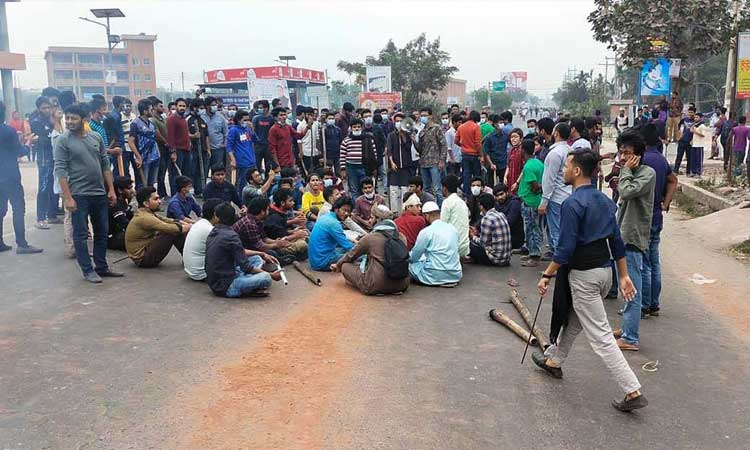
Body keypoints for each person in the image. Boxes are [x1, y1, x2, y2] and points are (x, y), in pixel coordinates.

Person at [533, 148, 646, 412]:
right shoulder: (605, 201)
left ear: (577, 171)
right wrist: (624, 275)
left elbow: (565, 248)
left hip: (584, 276)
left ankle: (632, 390)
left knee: (602, 337)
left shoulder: (572, 204)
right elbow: (616, 241)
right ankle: (554, 361)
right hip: (605, 273)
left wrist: (546, 274)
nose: (562, 171)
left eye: (565, 166)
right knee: (574, 320)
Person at [54, 103, 122, 283]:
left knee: (102, 232)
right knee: (81, 234)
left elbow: (105, 165)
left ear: (84, 120)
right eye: (67, 118)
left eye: (73, 118)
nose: (68, 121)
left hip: (99, 193)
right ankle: (87, 270)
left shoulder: (96, 137)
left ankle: (102, 266)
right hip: (78, 194)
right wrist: (68, 198)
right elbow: (60, 170)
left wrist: (111, 190)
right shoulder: (63, 140)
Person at [612, 130, 655, 352]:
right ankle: (627, 327)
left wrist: (626, 171)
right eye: (620, 153)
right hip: (623, 234)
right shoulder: (629, 171)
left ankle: (630, 337)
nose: (622, 158)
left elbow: (627, 192)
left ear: (637, 155)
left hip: (634, 236)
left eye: (627, 154)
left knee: (632, 288)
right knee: (625, 286)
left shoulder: (647, 174)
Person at [639, 124, 677, 318]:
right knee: (654, 261)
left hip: (643, 217)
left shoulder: (642, 160)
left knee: (643, 263)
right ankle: (653, 303)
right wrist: (666, 202)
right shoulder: (661, 160)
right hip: (656, 215)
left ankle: (644, 305)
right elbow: (673, 180)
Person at [331, 204, 410, 295]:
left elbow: (351, 255)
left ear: (378, 220)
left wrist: (338, 265)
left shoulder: (370, 238)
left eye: (372, 217)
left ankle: (372, 286)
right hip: (402, 285)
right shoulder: (402, 237)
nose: (369, 220)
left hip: (376, 284)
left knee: (345, 266)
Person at [205, 202, 278, 298]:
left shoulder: (213, 232)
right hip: (227, 286)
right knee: (266, 278)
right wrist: (271, 275)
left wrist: (261, 253)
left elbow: (240, 252)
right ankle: (248, 284)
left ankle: (249, 280)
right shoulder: (231, 236)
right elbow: (246, 267)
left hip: (218, 279)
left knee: (256, 258)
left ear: (216, 217)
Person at [0, 100, 43, 254]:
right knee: (18, 209)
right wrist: (29, 142)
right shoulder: (8, 131)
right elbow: (20, 152)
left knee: (1, 209)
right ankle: (22, 244)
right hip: (10, 176)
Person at [125, 187, 191, 268]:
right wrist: (192, 227)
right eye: (156, 199)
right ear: (146, 203)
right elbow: (170, 228)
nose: (160, 201)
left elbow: (167, 220)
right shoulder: (145, 218)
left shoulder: (146, 212)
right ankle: (189, 258)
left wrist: (184, 223)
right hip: (143, 260)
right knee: (172, 231)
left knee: (175, 228)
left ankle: (188, 257)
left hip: (146, 250)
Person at [409, 201, 462, 286]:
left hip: (434, 275)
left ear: (426, 216)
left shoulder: (426, 232)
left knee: (409, 265)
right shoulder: (453, 229)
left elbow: (414, 257)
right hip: (455, 274)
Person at [540, 122, 573, 255]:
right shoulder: (570, 150)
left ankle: (560, 265)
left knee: (556, 233)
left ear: (556, 133)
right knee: (564, 232)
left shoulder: (554, 153)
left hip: (556, 198)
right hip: (568, 196)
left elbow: (549, 180)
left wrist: (544, 201)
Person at [30, 96, 59, 229]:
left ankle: (52, 215)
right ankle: (40, 218)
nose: (47, 110)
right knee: (43, 187)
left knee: (54, 186)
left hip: (54, 156)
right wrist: (48, 134)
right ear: (39, 108)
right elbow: (42, 139)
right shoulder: (36, 120)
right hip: (44, 158)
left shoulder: (53, 119)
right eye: (44, 108)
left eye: (49, 107)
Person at [516, 139, 544, 267]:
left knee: (532, 228)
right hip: (534, 200)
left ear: (523, 150)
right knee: (534, 228)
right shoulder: (538, 163)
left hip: (530, 201)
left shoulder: (528, 166)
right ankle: (532, 251)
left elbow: (535, 185)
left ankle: (535, 255)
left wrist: (535, 188)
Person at [308, 196, 356, 271]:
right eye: (344, 210)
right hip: (323, 262)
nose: (347, 213)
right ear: (336, 209)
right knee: (359, 256)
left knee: (345, 250)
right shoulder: (334, 223)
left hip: (315, 260)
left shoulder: (326, 217)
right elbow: (348, 247)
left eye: (349, 211)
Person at [414, 107, 447, 205]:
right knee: (426, 189)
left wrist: (442, 160)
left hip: (435, 163)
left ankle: (440, 209)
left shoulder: (436, 128)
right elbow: (419, 149)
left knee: (437, 189)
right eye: (422, 116)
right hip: (424, 163)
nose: (423, 117)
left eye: (425, 115)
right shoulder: (421, 131)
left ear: (430, 116)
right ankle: (428, 208)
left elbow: (443, 145)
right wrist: (413, 140)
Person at [182, 198, 222, 281]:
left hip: (191, 270)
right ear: (215, 214)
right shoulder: (209, 230)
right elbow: (230, 251)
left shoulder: (199, 223)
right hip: (201, 274)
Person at [468, 193, 512, 266]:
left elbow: (482, 243)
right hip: (506, 258)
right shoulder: (501, 214)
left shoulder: (486, 219)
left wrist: (472, 236)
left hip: (495, 259)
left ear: (481, 206)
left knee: (469, 245)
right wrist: (477, 234)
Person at [386, 112, 418, 212]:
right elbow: (389, 150)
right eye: (397, 121)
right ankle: (394, 212)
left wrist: (406, 136)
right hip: (394, 167)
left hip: (406, 167)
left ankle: (405, 210)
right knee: (394, 191)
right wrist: (392, 163)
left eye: (400, 121)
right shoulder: (391, 135)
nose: (399, 123)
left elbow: (411, 148)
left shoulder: (408, 135)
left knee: (405, 190)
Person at [340, 118, 376, 199]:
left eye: (358, 127)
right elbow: (342, 155)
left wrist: (374, 168)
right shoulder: (346, 140)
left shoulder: (368, 139)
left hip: (365, 168)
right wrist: (343, 169)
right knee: (354, 189)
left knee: (366, 189)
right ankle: (356, 207)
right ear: (351, 128)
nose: (356, 128)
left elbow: (374, 155)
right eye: (354, 127)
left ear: (362, 128)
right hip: (351, 168)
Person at [226, 110, 259, 195]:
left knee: (254, 180)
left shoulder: (248, 129)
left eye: (248, 120)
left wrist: (252, 129)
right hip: (242, 160)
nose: (247, 122)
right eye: (245, 120)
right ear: (238, 120)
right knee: (242, 182)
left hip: (251, 159)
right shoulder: (233, 130)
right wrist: (233, 159)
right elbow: (229, 146)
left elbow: (256, 140)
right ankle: (241, 199)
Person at [128, 99, 158, 188]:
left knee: (151, 184)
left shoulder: (151, 123)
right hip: (143, 159)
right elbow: (130, 141)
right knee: (142, 184)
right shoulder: (135, 123)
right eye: (151, 109)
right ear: (145, 111)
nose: (153, 111)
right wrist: (138, 156)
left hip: (154, 157)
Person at [439, 174, 470, 258]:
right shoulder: (462, 202)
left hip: (453, 248)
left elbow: (442, 226)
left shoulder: (447, 202)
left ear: (444, 188)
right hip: (464, 248)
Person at [166, 98, 192, 189]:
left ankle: (183, 194)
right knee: (175, 175)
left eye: (184, 106)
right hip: (177, 150)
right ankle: (175, 195)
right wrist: (173, 152)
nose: (182, 108)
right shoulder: (172, 119)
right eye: (180, 106)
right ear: (176, 106)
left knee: (185, 174)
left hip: (186, 150)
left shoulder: (183, 118)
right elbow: (170, 136)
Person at [455, 110, 482, 193]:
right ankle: (477, 192)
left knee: (466, 175)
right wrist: (481, 155)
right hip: (474, 155)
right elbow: (478, 143)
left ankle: (467, 193)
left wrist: (463, 146)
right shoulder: (476, 127)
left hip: (465, 154)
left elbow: (456, 141)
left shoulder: (461, 127)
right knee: (476, 175)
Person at [492, 182, 525, 251]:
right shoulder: (498, 203)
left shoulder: (514, 203)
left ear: (507, 192)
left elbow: (509, 222)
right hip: (503, 234)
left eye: (501, 194)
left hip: (515, 237)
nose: (500, 197)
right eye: (497, 196)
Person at [201, 96, 229, 171]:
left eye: (215, 105)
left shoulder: (220, 117)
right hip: (205, 149)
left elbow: (226, 132)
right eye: (213, 105)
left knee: (217, 170)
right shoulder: (201, 116)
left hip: (218, 148)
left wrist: (224, 143)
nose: (215, 107)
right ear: (207, 106)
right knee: (204, 170)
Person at [107, 176, 135, 251]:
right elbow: (125, 224)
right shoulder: (114, 205)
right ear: (120, 190)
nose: (132, 191)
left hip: (121, 233)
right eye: (129, 188)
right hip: (112, 238)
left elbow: (132, 218)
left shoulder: (123, 201)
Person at [482, 114, 509, 187]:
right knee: (490, 185)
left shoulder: (506, 136)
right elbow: (486, 152)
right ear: (495, 124)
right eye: (500, 123)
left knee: (503, 185)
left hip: (503, 164)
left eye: (502, 123)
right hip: (493, 165)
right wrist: (491, 164)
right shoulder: (489, 137)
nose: (501, 124)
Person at [251, 100, 274, 172]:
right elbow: (253, 131)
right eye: (259, 108)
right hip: (258, 145)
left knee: (268, 166)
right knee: (257, 166)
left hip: (268, 146)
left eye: (261, 107)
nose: (259, 109)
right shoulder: (256, 118)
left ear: (266, 108)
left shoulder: (272, 119)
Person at [674, 106, 697, 174]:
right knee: (679, 156)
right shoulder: (684, 120)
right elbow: (678, 127)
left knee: (689, 158)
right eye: (689, 112)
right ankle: (675, 170)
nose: (690, 114)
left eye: (692, 112)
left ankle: (688, 171)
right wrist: (679, 135)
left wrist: (693, 140)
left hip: (690, 142)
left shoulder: (695, 121)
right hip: (682, 141)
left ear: (694, 113)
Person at [503, 128, 526, 193]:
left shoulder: (523, 151)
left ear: (521, 138)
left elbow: (524, 169)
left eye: (515, 137)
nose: (513, 139)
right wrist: (505, 177)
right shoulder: (511, 150)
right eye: (511, 137)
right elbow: (508, 166)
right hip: (510, 179)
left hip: (520, 180)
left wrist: (517, 182)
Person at [688, 113, 710, 177]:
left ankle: (698, 173)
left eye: (697, 117)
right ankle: (693, 172)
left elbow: (703, 135)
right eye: (695, 117)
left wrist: (695, 131)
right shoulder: (695, 125)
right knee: (693, 159)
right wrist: (692, 140)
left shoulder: (702, 126)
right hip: (694, 144)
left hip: (699, 145)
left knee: (699, 160)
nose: (695, 119)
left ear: (700, 118)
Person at [445, 113, 463, 179]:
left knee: (458, 177)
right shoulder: (449, 133)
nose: (461, 124)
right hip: (452, 160)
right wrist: (452, 159)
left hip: (459, 159)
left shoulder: (460, 131)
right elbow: (448, 147)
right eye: (459, 122)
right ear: (454, 122)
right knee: (452, 178)